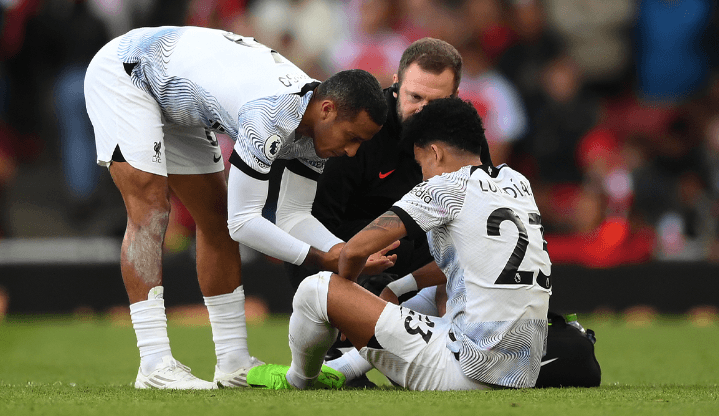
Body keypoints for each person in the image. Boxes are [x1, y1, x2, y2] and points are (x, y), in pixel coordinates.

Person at [84, 26, 392, 390]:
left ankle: (234, 363)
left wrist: (344, 250)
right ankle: (154, 364)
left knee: (214, 216)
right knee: (152, 208)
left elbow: (294, 217)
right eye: (352, 138)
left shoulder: (316, 124)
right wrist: (322, 258)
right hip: (128, 72)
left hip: (177, 92)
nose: (353, 152)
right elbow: (243, 223)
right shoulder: (271, 114)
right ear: (327, 110)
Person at [246, 97, 553, 391]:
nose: (423, 175)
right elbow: (477, 265)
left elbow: (354, 249)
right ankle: (341, 369)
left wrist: (343, 301)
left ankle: (298, 380)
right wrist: (399, 286)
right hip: (522, 370)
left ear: (435, 153)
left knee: (317, 288)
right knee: (434, 293)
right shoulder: (516, 182)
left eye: (421, 165)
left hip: (468, 371)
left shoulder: (444, 188)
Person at [286, 37, 462, 290]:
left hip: (423, 267)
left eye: (436, 103)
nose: (424, 110)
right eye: (415, 97)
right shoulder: (359, 131)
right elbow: (312, 223)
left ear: (455, 97)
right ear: (395, 85)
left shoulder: (465, 137)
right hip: (344, 261)